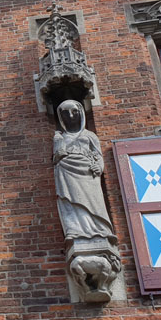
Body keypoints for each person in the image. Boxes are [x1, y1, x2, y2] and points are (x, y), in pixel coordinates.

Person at [52, 100, 116, 243]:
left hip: (87, 173)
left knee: (92, 199)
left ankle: (100, 229)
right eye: (66, 113)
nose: (71, 115)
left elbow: (98, 155)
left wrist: (99, 167)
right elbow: (56, 157)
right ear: (61, 117)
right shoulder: (60, 137)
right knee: (70, 199)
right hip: (67, 172)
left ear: (80, 113)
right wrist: (59, 146)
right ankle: (75, 230)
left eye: (74, 111)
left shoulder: (90, 135)